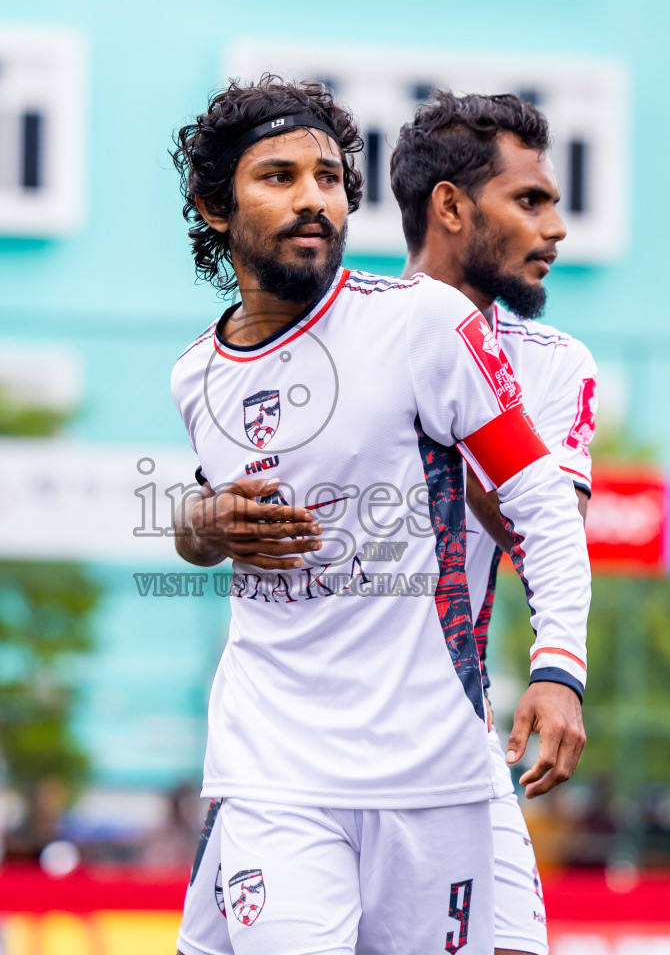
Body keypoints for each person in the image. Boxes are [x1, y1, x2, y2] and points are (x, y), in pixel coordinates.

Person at [169, 76, 591, 955]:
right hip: (273, 767)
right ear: (216, 206)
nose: (312, 198)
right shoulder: (195, 376)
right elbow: (207, 528)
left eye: (327, 177)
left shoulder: (423, 325)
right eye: (278, 177)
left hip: (431, 770)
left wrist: (558, 667)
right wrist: (201, 522)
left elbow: (539, 499)